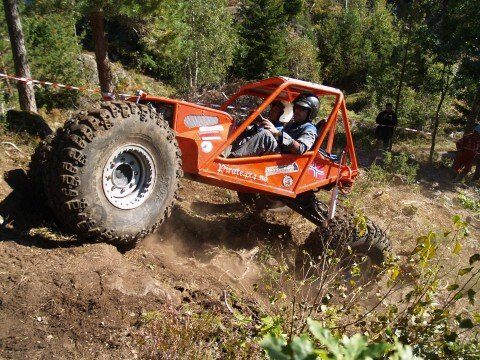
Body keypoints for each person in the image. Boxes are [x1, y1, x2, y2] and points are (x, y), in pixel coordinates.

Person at [230, 92, 319, 157]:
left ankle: (229, 161)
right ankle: (223, 155)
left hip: (286, 160)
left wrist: (277, 133)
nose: (297, 111)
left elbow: (301, 149)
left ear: (311, 112)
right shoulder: (292, 125)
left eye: (302, 108)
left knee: (266, 135)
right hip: (279, 155)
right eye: (296, 107)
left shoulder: (309, 129)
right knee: (251, 134)